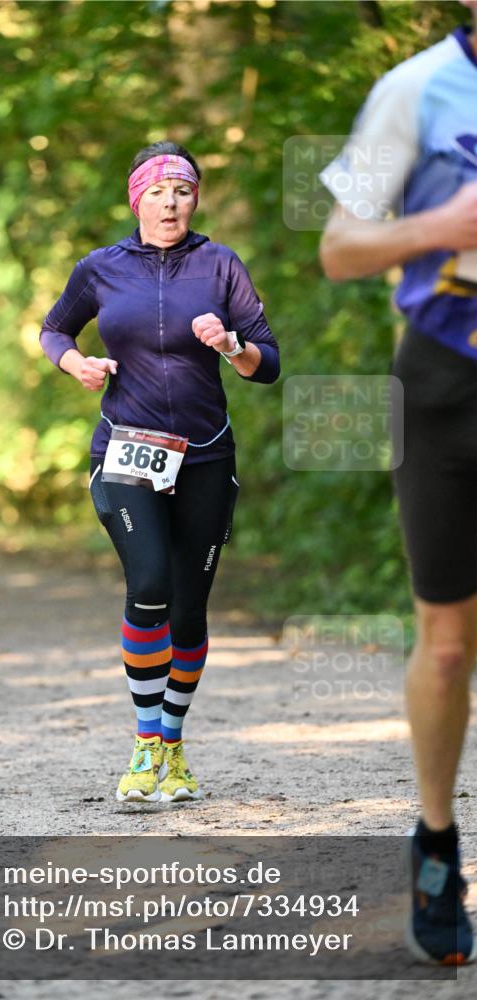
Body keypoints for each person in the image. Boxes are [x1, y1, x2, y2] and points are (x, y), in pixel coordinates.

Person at [40, 142, 279, 803]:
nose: (170, 202)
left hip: (204, 454)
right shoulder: (101, 268)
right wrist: (75, 365)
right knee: (148, 582)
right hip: (125, 450)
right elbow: (53, 331)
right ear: (136, 198)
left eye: (182, 191)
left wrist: (233, 347)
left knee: (189, 612)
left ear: (194, 199)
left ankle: (173, 746)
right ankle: (145, 743)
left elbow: (270, 360)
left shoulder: (220, 265)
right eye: (157, 191)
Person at [319, 3, 477, 965]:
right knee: (449, 646)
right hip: (444, 383)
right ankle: (434, 843)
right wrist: (442, 223)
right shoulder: (412, 90)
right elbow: (340, 249)